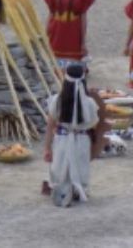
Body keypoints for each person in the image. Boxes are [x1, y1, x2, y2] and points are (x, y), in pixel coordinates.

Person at [43, 64, 100, 207]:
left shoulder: (57, 100)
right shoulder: (89, 103)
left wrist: (47, 147)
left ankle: (62, 188)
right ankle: (78, 189)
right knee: (80, 164)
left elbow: (50, 125)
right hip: (81, 139)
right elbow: (93, 122)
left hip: (62, 138)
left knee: (61, 164)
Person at [44, 0, 95, 68]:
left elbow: (83, 17)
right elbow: (51, 14)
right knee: (53, 65)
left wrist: (83, 41)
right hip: (56, 30)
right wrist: (46, 33)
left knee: (73, 66)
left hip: (72, 30)